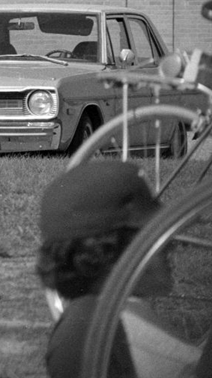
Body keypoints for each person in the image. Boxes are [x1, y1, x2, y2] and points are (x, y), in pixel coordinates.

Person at [36, 161, 206, 378]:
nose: (172, 243)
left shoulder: (99, 320)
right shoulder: (111, 335)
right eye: (153, 235)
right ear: (107, 252)